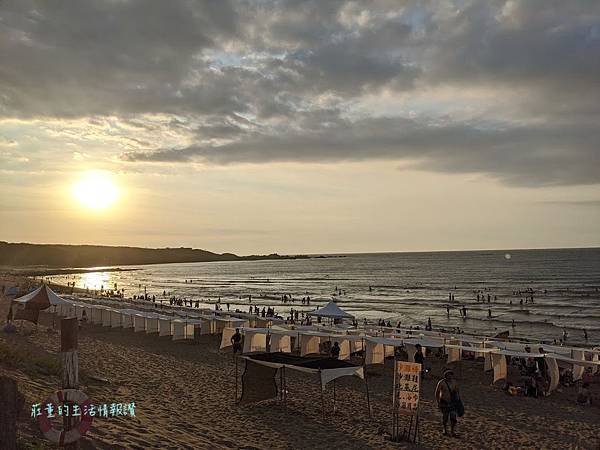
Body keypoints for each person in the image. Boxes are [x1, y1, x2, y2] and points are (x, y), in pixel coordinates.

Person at [435, 369, 461, 437]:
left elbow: (457, 392)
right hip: (444, 401)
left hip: (452, 402)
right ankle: (445, 429)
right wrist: (438, 402)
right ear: (445, 376)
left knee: (453, 418)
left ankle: (452, 431)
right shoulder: (441, 382)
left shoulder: (454, 382)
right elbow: (437, 392)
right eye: (448, 375)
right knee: (445, 417)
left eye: (451, 375)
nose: (450, 376)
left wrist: (458, 401)